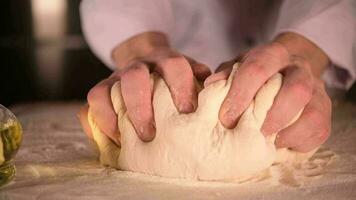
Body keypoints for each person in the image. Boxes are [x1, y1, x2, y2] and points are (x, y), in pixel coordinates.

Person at [78, 0, 356, 153]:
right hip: (154, 80)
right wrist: (142, 48)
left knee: (287, 119)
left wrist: (303, 51)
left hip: (294, 94)